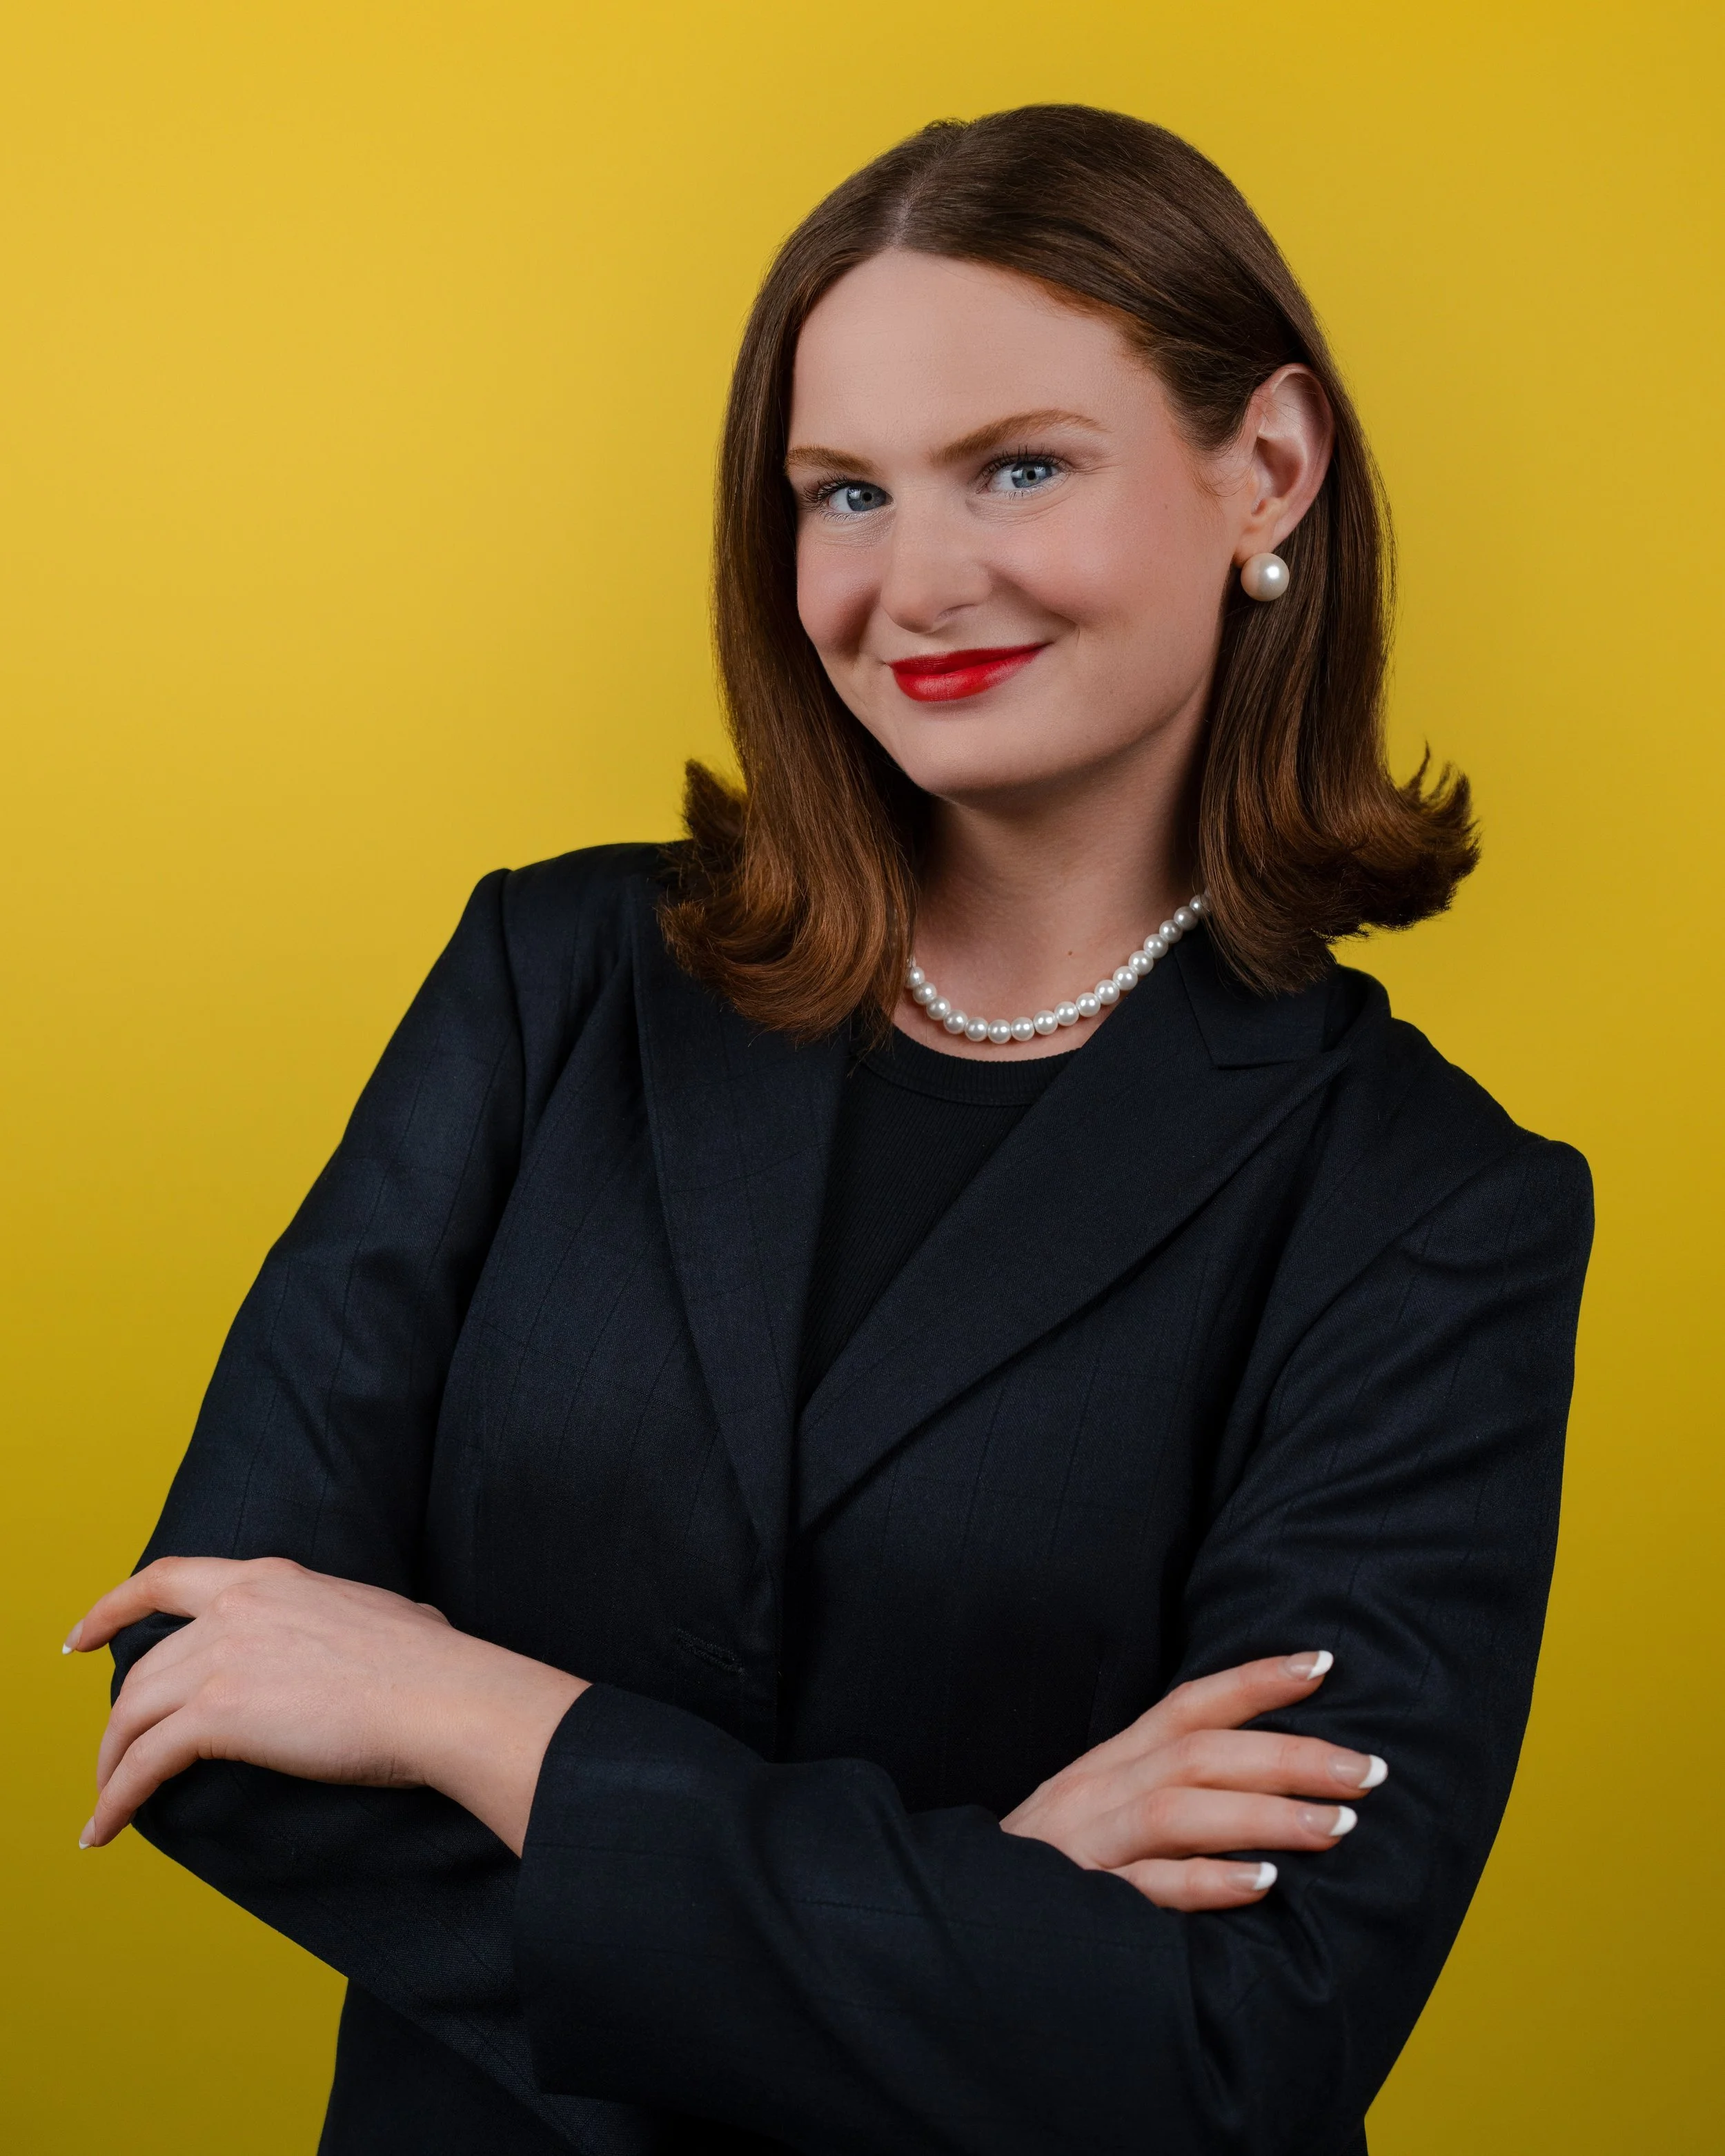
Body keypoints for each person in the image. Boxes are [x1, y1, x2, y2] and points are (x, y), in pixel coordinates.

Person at [68, 106, 1592, 2156]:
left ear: (1270, 466)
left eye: (1021, 467)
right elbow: (207, 1700)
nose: (916, 583)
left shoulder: (1428, 1208)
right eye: (843, 493)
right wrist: (985, 1912)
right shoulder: (553, 981)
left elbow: (1236, 2049)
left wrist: (476, 1712)